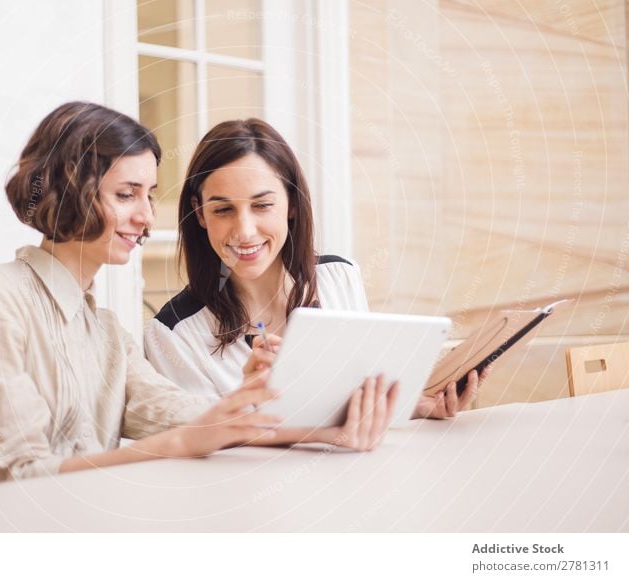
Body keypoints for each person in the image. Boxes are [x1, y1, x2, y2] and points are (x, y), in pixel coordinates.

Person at [0, 103, 391, 493]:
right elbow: (11, 480)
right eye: (126, 194)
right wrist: (184, 441)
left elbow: (189, 417)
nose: (147, 216)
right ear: (69, 190)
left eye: (150, 195)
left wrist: (307, 425)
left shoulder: (104, 333)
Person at [144, 118, 487, 420]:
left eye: (262, 205)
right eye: (223, 210)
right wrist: (247, 403)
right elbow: (197, 454)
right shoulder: (173, 334)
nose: (244, 230)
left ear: (291, 204)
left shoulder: (340, 278)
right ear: (200, 213)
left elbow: (354, 406)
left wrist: (418, 406)